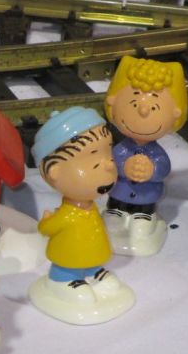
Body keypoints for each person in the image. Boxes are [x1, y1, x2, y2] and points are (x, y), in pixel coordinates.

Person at [29, 107, 135, 324]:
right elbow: (45, 229)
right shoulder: (66, 215)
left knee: (105, 280)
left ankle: (93, 272)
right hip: (66, 264)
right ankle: (61, 281)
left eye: (108, 152)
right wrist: (46, 222)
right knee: (81, 292)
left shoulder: (92, 207)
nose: (109, 164)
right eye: (93, 159)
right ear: (55, 172)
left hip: (92, 259)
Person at [103, 56, 188, 256]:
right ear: (112, 102)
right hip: (118, 193)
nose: (143, 111)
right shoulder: (121, 149)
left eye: (154, 108)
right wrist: (123, 166)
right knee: (113, 218)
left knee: (141, 223)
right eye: (133, 104)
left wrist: (152, 170)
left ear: (176, 114)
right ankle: (116, 215)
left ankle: (142, 218)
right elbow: (111, 162)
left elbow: (163, 168)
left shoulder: (156, 153)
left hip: (146, 197)